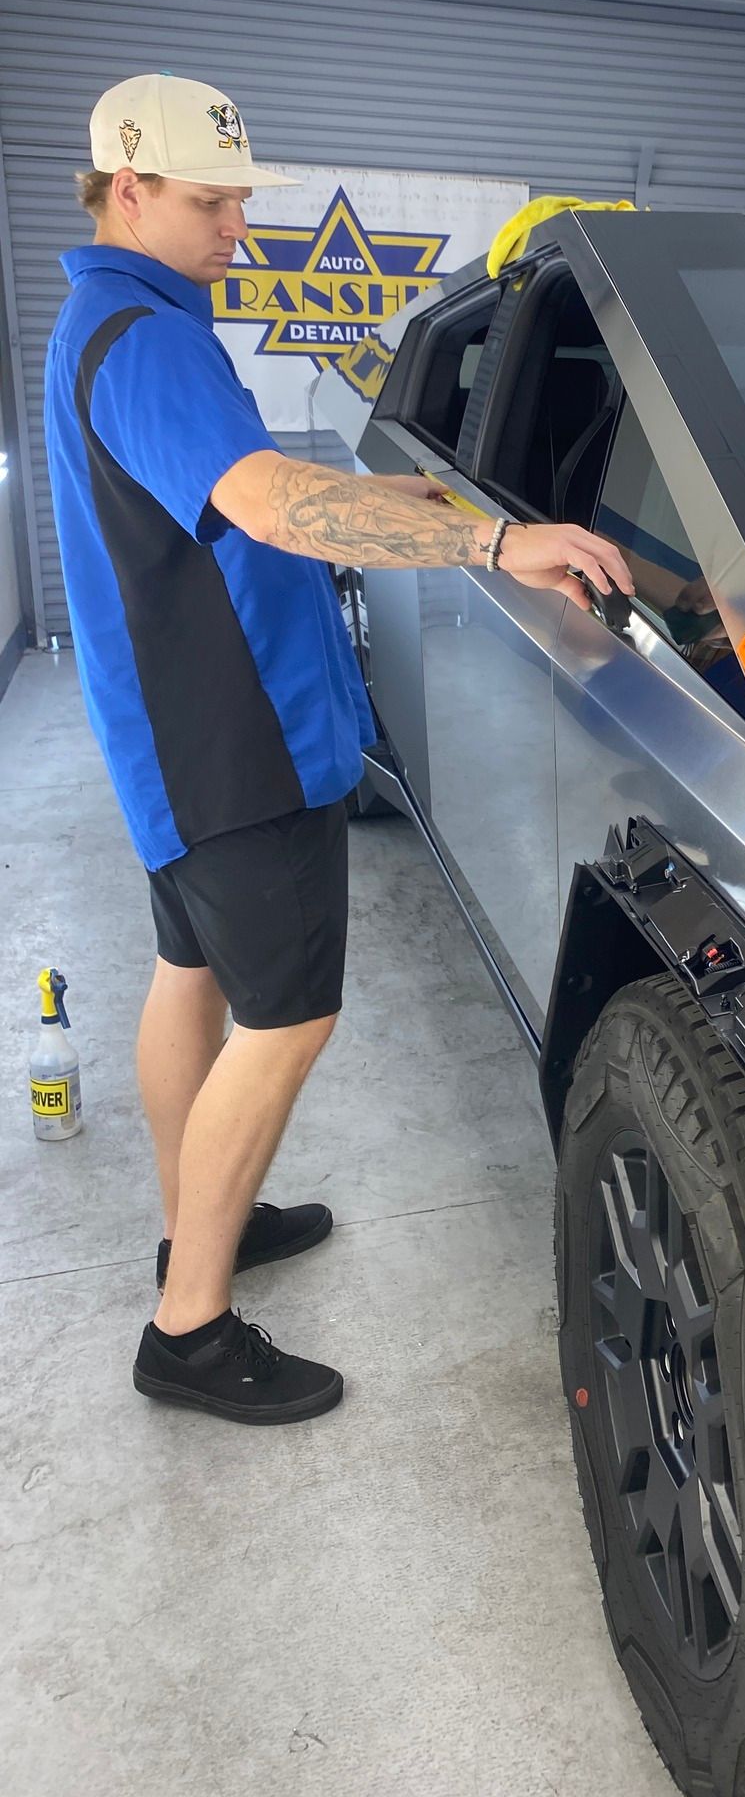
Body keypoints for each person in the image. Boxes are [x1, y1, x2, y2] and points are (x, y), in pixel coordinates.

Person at [43, 73, 634, 1426]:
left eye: (243, 197)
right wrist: (491, 538)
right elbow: (267, 506)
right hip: (234, 740)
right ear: (128, 189)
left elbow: (226, 492)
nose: (237, 225)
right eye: (210, 201)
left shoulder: (117, 318)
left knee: (187, 970)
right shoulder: (142, 338)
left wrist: (391, 496)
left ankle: (206, 1218)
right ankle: (188, 1329)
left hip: (175, 736)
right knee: (289, 1015)